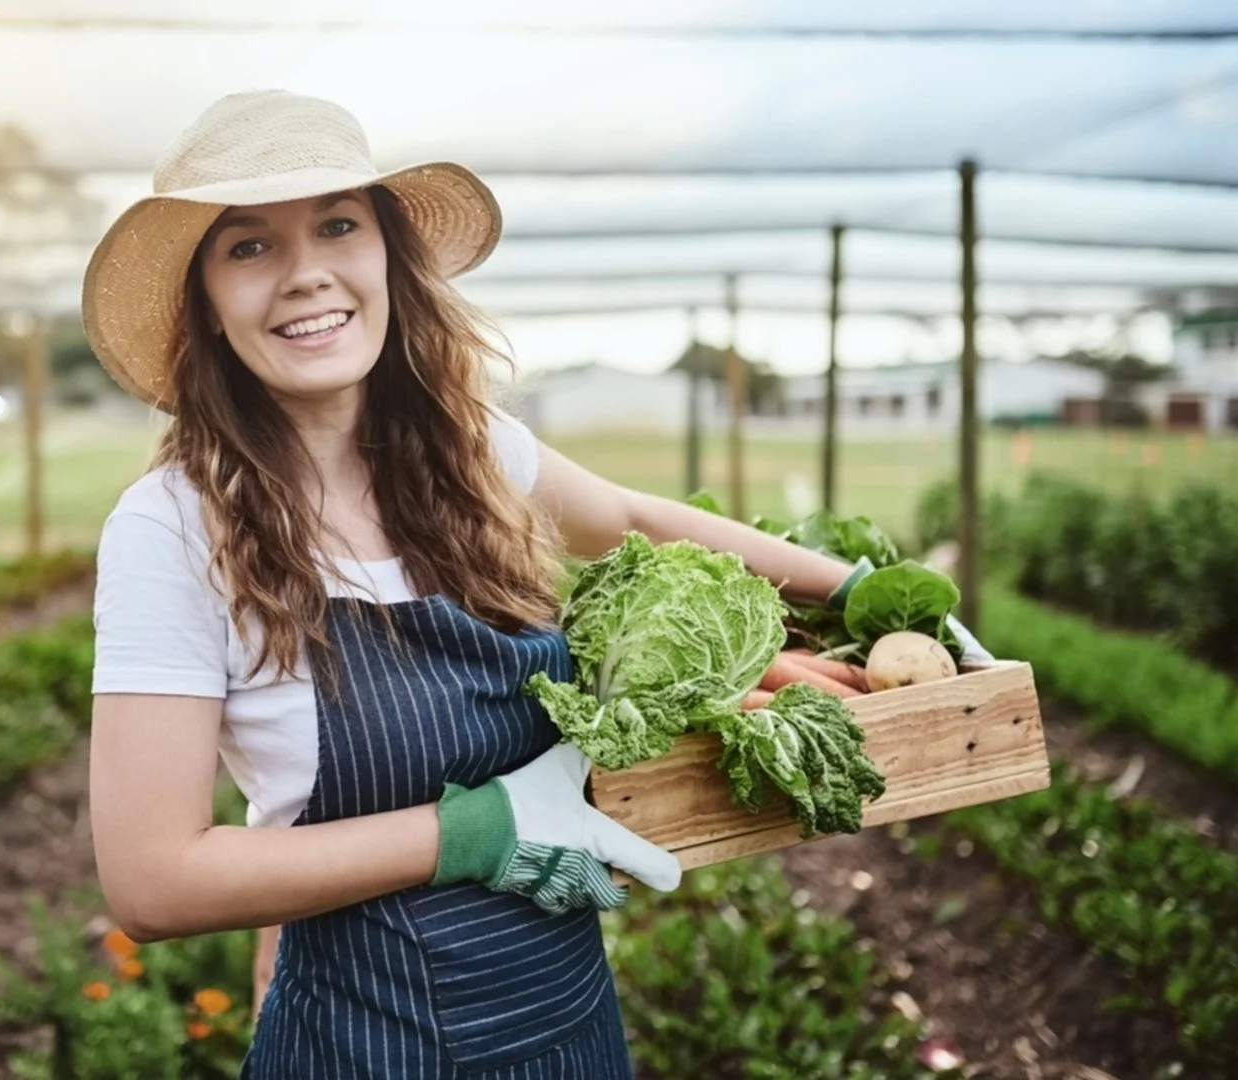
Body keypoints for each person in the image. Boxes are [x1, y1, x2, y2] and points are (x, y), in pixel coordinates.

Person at [84, 89, 990, 1078]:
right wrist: (476, 831)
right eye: (248, 247)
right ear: (205, 305)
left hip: (571, 1037)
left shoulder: (464, 456)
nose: (308, 275)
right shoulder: (171, 528)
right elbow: (153, 881)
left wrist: (856, 592)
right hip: (365, 1047)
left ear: (387, 253)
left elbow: (633, 520)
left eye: (338, 224)